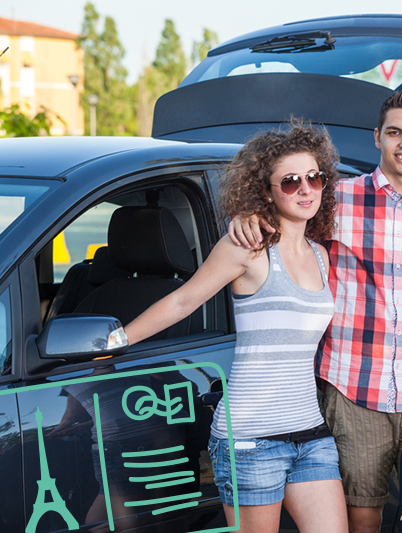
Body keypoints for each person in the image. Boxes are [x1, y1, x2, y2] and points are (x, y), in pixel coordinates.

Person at [229, 89, 402, 533]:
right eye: (395, 133)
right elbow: (283, 221)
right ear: (377, 138)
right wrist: (246, 217)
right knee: (362, 518)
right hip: (352, 388)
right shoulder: (335, 201)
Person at [124, 124, 348, 533]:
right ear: (266, 190)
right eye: (290, 181)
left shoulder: (319, 255)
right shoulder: (246, 245)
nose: (305, 189)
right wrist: (118, 339)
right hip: (250, 439)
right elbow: (184, 300)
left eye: (314, 178)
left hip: (311, 434)